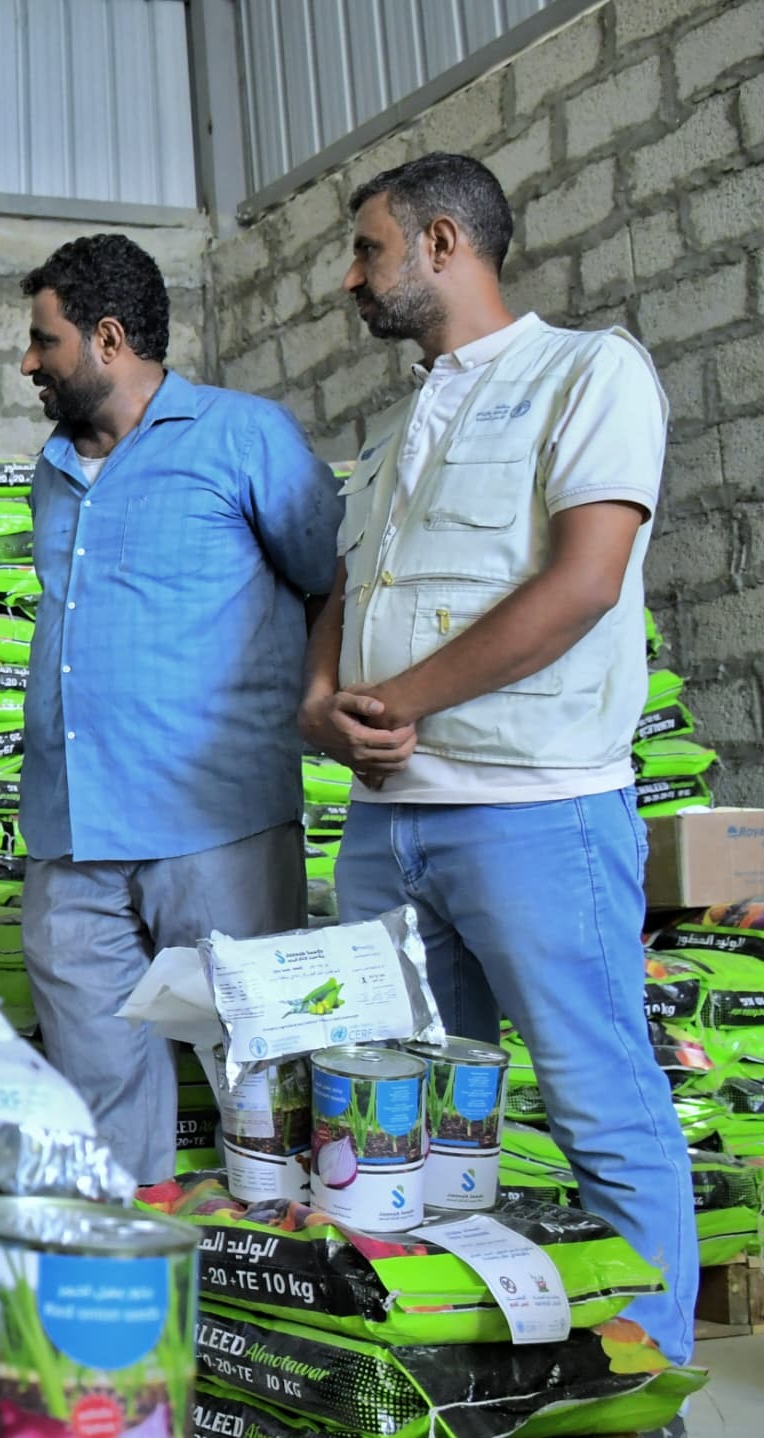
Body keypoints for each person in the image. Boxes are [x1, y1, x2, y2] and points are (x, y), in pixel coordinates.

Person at [302, 152, 696, 1362]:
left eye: (366, 250)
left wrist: (398, 703)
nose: (350, 280)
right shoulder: (394, 432)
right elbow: (345, 589)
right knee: (400, 1116)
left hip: (535, 812)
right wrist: (323, 703)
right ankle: (459, 1367)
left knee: (597, 1107)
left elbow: (582, 584)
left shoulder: (588, 372)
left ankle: (644, 1377)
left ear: (438, 243)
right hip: (387, 824)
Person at [14, 233, 339, 1184]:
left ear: (108, 338)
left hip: (216, 829)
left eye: (45, 341)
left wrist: (317, 705)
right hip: (70, 837)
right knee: (98, 1089)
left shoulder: (245, 437)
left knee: (260, 1079)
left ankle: (275, 1302)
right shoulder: (53, 470)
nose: (30, 363)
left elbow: (329, 579)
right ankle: (130, 1314)